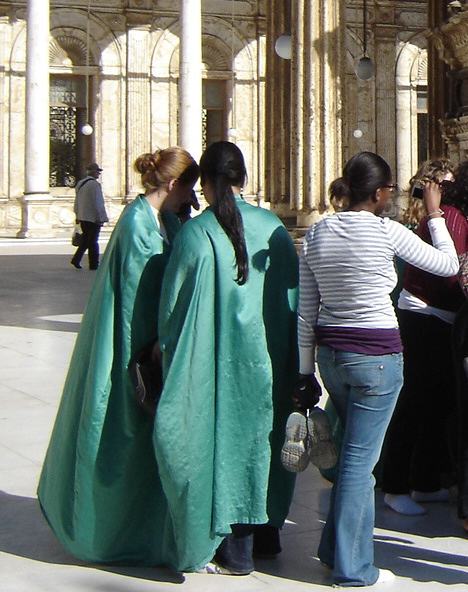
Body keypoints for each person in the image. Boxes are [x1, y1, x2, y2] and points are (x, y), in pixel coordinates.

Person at [296, 152, 460, 588]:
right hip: (376, 358)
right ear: (381, 192)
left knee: (351, 454)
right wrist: (435, 214)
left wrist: (304, 372)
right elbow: (449, 265)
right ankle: (354, 570)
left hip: (332, 357)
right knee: (359, 464)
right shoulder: (386, 231)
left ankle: (334, 550)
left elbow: (306, 310)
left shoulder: (318, 232)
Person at [38, 148, 199, 565]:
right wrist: (158, 345)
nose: (191, 198)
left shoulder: (163, 220)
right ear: (173, 184)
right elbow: (136, 300)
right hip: (134, 349)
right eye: (188, 189)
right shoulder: (138, 226)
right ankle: (113, 532)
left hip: (149, 344)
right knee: (125, 435)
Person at [153, 141, 299, 575]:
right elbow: (294, 299)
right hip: (271, 361)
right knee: (265, 440)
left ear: (204, 182)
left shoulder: (197, 233)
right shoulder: (273, 227)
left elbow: (172, 312)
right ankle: (268, 534)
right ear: (243, 179)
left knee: (225, 444)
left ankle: (233, 549)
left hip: (217, 367)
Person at [381, 158, 468, 515]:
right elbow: (451, 267)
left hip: (448, 319)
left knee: (439, 404)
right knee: (414, 401)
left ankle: (425, 481)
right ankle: (395, 484)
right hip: (424, 316)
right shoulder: (451, 218)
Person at [71, 162, 109, 270]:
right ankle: (93, 263)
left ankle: (76, 259)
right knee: (93, 241)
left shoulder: (80, 184)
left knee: (85, 240)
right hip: (93, 218)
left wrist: (77, 214)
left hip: (83, 216)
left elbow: (77, 201)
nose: (98, 174)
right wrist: (101, 217)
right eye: (97, 172)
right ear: (93, 172)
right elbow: (98, 203)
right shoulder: (95, 185)